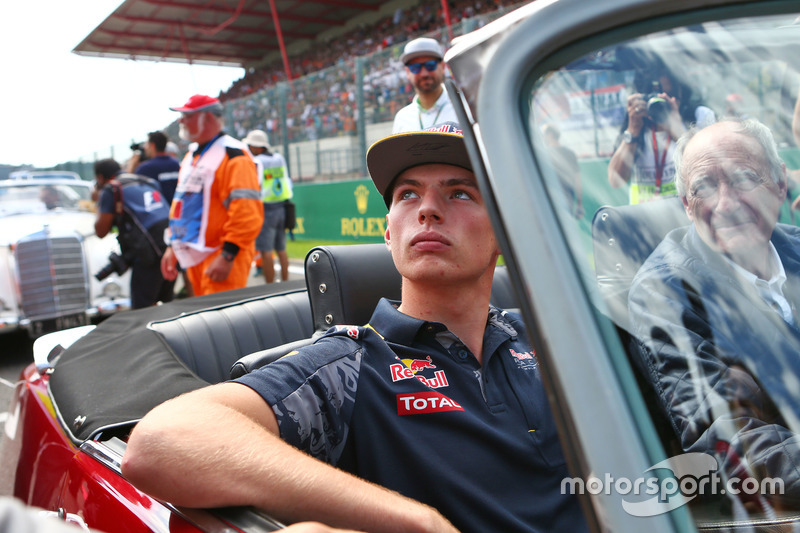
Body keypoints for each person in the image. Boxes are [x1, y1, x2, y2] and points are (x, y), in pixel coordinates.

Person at [122, 124, 588, 533]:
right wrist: (411, 518)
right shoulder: (352, 362)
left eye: (459, 192)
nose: (427, 209)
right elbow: (160, 443)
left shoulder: (549, 337)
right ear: (388, 234)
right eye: (407, 194)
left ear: (503, 235)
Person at [628, 118, 800, 504]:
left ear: (780, 184)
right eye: (704, 187)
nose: (726, 203)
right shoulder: (665, 293)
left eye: (743, 177)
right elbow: (725, 434)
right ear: (687, 206)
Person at [160, 94, 263, 296]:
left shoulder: (234, 156)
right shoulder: (191, 156)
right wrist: (173, 246)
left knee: (222, 323)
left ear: (207, 118)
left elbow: (246, 213)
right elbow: (181, 207)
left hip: (220, 257)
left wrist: (227, 255)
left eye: (187, 115)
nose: (181, 121)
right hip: (195, 256)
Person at [608, 68, 716, 204]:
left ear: (682, 92)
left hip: (688, 216)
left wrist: (678, 131)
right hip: (646, 218)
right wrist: (633, 131)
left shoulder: (699, 116)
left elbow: (711, 169)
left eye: (671, 95)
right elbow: (615, 180)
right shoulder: (637, 123)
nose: (663, 102)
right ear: (642, 97)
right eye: (655, 96)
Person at [94, 158, 175, 309]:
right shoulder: (146, 181)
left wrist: (99, 201)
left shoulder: (111, 189)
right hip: (171, 244)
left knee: (142, 309)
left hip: (147, 253)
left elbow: (100, 231)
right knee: (167, 306)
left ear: (100, 177)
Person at [243, 129, 293, 283]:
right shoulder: (279, 158)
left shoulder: (257, 162)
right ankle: (285, 282)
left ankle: (270, 287)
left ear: (258, 147)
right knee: (281, 249)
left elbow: (254, 185)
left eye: (251, 146)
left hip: (265, 208)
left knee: (266, 251)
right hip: (281, 207)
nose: (250, 149)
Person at [391, 37, 459, 133]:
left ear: (443, 66)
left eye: (430, 65)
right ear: (407, 72)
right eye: (415, 67)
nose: (424, 74)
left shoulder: (464, 107)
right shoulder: (402, 118)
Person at [541, 123, 584, 218]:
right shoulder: (570, 153)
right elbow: (578, 180)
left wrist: (580, 204)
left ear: (550, 134)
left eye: (544, 134)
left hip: (553, 200)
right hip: (565, 199)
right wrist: (579, 204)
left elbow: (577, 179)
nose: (542, 137)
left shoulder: (544, 154)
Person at [134, 130, 181, 204]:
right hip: (177, 211)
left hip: (159, 213)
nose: (145, 147)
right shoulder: (176, 164)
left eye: (146, 144)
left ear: (152, 145)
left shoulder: (144, 168)